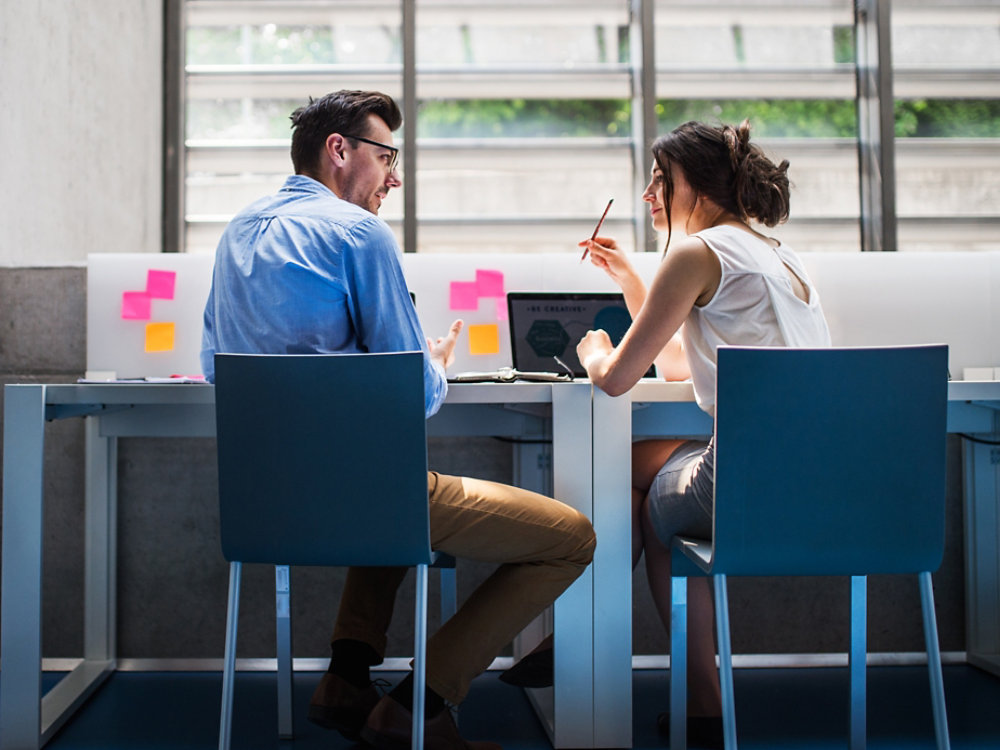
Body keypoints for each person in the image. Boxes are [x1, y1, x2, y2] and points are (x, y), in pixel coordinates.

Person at [200, 90, 596, 750]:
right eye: (387, 157)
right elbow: (412, 392)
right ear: (339, 150)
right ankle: (422, 704)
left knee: (388, 476)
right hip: (358, 499)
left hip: (261, 502)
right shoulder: (358, 234)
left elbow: (219, 370)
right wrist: (433, 361)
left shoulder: (236, 232)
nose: (395, 178)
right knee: (572, 538)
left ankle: (348, 680)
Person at [575, 120, 832, 747]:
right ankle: (686, 696)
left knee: (639, 491)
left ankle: (584, 638)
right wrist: (635, 281)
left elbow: (617, 380)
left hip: (746, 486)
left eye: (660, 180)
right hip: (827, 484)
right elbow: (682, 365)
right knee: (640, 467)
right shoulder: (777, 254)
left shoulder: (698, 252)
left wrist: (593, 350)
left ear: (695, 183)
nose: (647, 195)